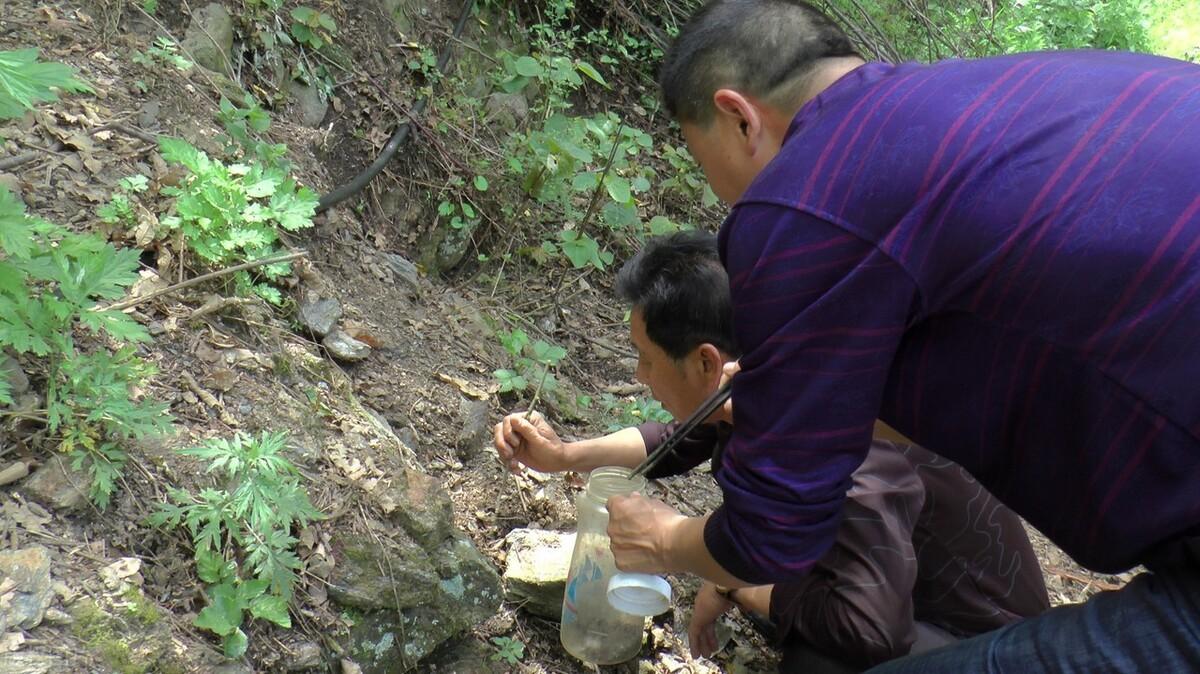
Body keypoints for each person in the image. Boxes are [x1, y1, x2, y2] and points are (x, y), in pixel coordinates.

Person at [600, 1, 1200, 671]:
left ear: (740, 117)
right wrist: (806, 407)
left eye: (699, 153)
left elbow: (773, 530)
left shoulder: (805, 191)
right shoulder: (989, 103)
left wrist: (667, 541)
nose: (729, 203)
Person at [494, 232, 1049, 671]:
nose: (640, 376)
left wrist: (734, 582)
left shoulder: (846, 443)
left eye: (646, 358)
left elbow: (872, 630)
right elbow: (683, 435)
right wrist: (565, 456)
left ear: (706, 362)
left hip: (981, 643)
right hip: (890, 585)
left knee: (821, 657)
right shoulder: (765, 371)